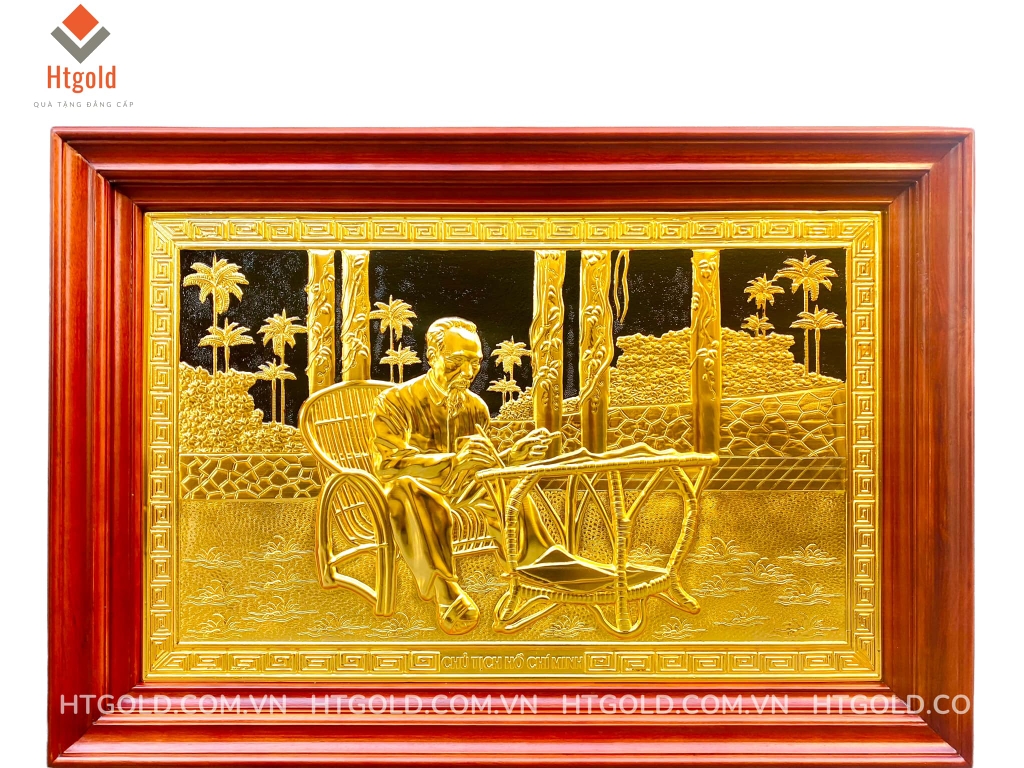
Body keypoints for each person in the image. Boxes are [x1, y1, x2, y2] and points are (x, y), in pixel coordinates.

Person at [370, 317, 557, 634]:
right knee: (406, 488)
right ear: (433, 356)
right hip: (412, 492)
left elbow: (482, 465)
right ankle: (446, 590)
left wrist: (511, 457)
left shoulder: (475, 408)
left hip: (459, 488)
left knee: (507, 483)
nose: (469, 372)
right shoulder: (395, 401)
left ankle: (534, 572)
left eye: (475, 363)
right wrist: (452, 461)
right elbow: (387, 464)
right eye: (458, 362)